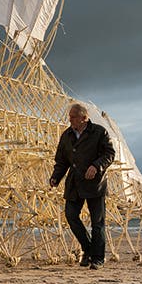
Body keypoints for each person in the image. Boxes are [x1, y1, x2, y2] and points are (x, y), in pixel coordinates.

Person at [49, 102, 115, 269]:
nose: (70, 119)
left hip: (95, 183)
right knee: (71, 216)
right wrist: (55, 177)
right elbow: (61, 161)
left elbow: (109, 153)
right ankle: (88, 249)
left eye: (73, 117)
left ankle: (97, 259)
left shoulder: (99, 132)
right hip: (75, 183)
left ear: (84, 118)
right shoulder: (66, 136)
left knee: (97, 222)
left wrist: (96, 166)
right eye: (70, 117)